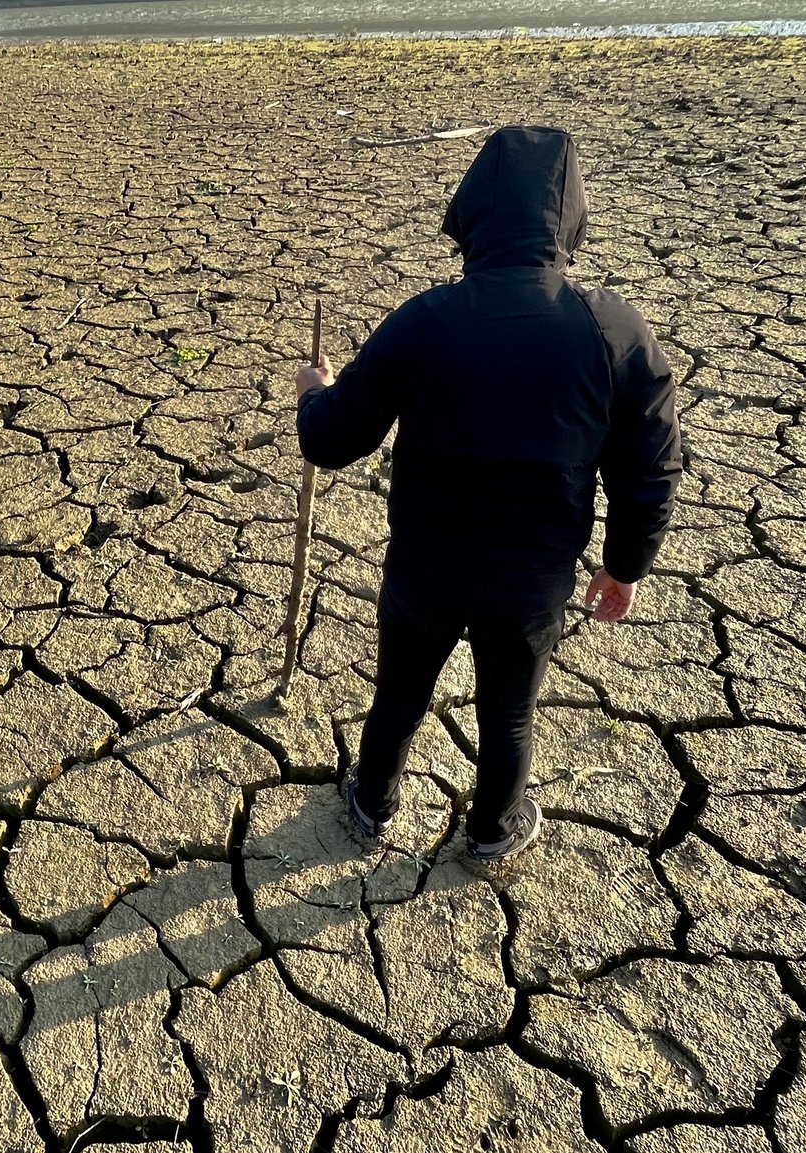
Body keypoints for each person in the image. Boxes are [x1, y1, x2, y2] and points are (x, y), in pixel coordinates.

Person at [294, 125, 682, 862]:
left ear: (471, 211)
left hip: (425, 569)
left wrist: (318, 394)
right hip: (530, 581)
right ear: (569, 216)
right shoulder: (612, 331)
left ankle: (371, 803)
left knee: (400, 695)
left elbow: (332, 439)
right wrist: (625, 563)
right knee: (509, 712)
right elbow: (651, 465)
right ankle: (492, 830)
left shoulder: (427, 320)